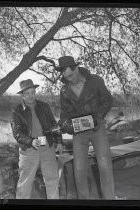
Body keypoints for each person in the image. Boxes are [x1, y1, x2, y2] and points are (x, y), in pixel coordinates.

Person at [55, 56, 115, 199]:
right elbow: (64, 114)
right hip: (79, 133)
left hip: (97, 129)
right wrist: (66, 125)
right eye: (65, 76)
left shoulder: (95, 81)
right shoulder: (64, 91)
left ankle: (110, 199)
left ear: (76, 69)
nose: (69, 78)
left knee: (105, 167)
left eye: (71, 75)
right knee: (79, 170)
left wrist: (98, 116)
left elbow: (107, 100)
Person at [11, 79, 62, 199]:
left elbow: (54, 125)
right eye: (27, 93)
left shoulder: (44, 106)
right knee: (25, 182)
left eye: (32, 92)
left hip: (47, 148)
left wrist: (59, 141)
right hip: (28, 151)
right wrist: (31, 141)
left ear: (35, 92)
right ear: (22, 95)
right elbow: (17, 133)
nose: (30, 96)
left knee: (52, 179)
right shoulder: (16, 111)